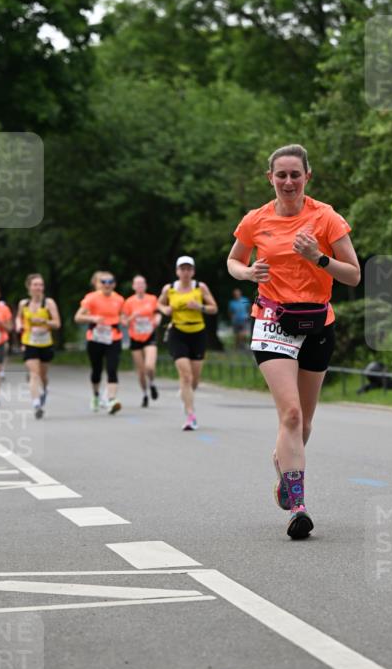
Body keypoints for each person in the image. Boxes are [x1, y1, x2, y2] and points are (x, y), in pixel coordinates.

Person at [227, 143, 360, 540]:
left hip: (318, 322)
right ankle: (298, 507)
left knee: (304, 421)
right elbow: (233, 260)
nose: (288, 181)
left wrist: (318, 258)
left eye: (295, 174)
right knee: (291, 416)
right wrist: (248, 273)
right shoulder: (256, 219)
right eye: (280, 175)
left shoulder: (326, 217)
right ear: (270, 177)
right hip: (272, 320)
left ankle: (282, 463)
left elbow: (353, 274)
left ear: (307, 177)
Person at [158, 256, 218, 430]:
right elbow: (159, 304)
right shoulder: (169, 289)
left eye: (188, 269)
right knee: (186, 376)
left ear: (193, 271)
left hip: (198, 333)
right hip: (177, 333)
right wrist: (165, 309)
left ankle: (186, 393)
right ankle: (190, 415)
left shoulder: (200, 287)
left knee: (195, 380)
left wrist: (199, 307)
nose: (185, 272)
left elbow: (214, 308)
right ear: (177, 271)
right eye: (182, 269)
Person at [74, 270, 125, 414]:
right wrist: (93, 319)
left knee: (112, 368)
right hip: (95, 338)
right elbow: (78, 317)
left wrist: (125, 320)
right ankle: (96, 395)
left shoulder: (119, 299)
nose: (107, 285)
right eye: (103, 282)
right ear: (99, 284)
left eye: (110, 282)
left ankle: (111, 400)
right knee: (96, 370)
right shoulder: (91, 298)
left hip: (113, 337)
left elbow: (122, 316)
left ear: (114, 284)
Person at [16, 274, 61, 419]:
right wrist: (18, 325)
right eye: (35, 285)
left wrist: (44, 321)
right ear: (29, 287)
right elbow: (19, 317)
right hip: (29, 342)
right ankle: (36, 404)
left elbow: (57, 323)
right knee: (34, 373)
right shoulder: (23, 304)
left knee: (42, 374)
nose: (38, 288)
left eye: (41, 285)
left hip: (45, 343)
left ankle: (45, 388)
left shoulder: (49, 303)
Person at [122, 275, 161, 407]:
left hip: (149, 335)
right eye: (137, 284)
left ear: (145, 286)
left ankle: (152, 383)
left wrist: (157, 320)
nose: (140, 286)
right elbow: (124, 321)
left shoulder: (152, 299)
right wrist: (132, 316)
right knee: (140, 370)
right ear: (133, 286)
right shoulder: (128, 302)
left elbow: (158, 313)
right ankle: (145, 393)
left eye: (142, 283)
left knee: (149, 366)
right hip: (135, 338)